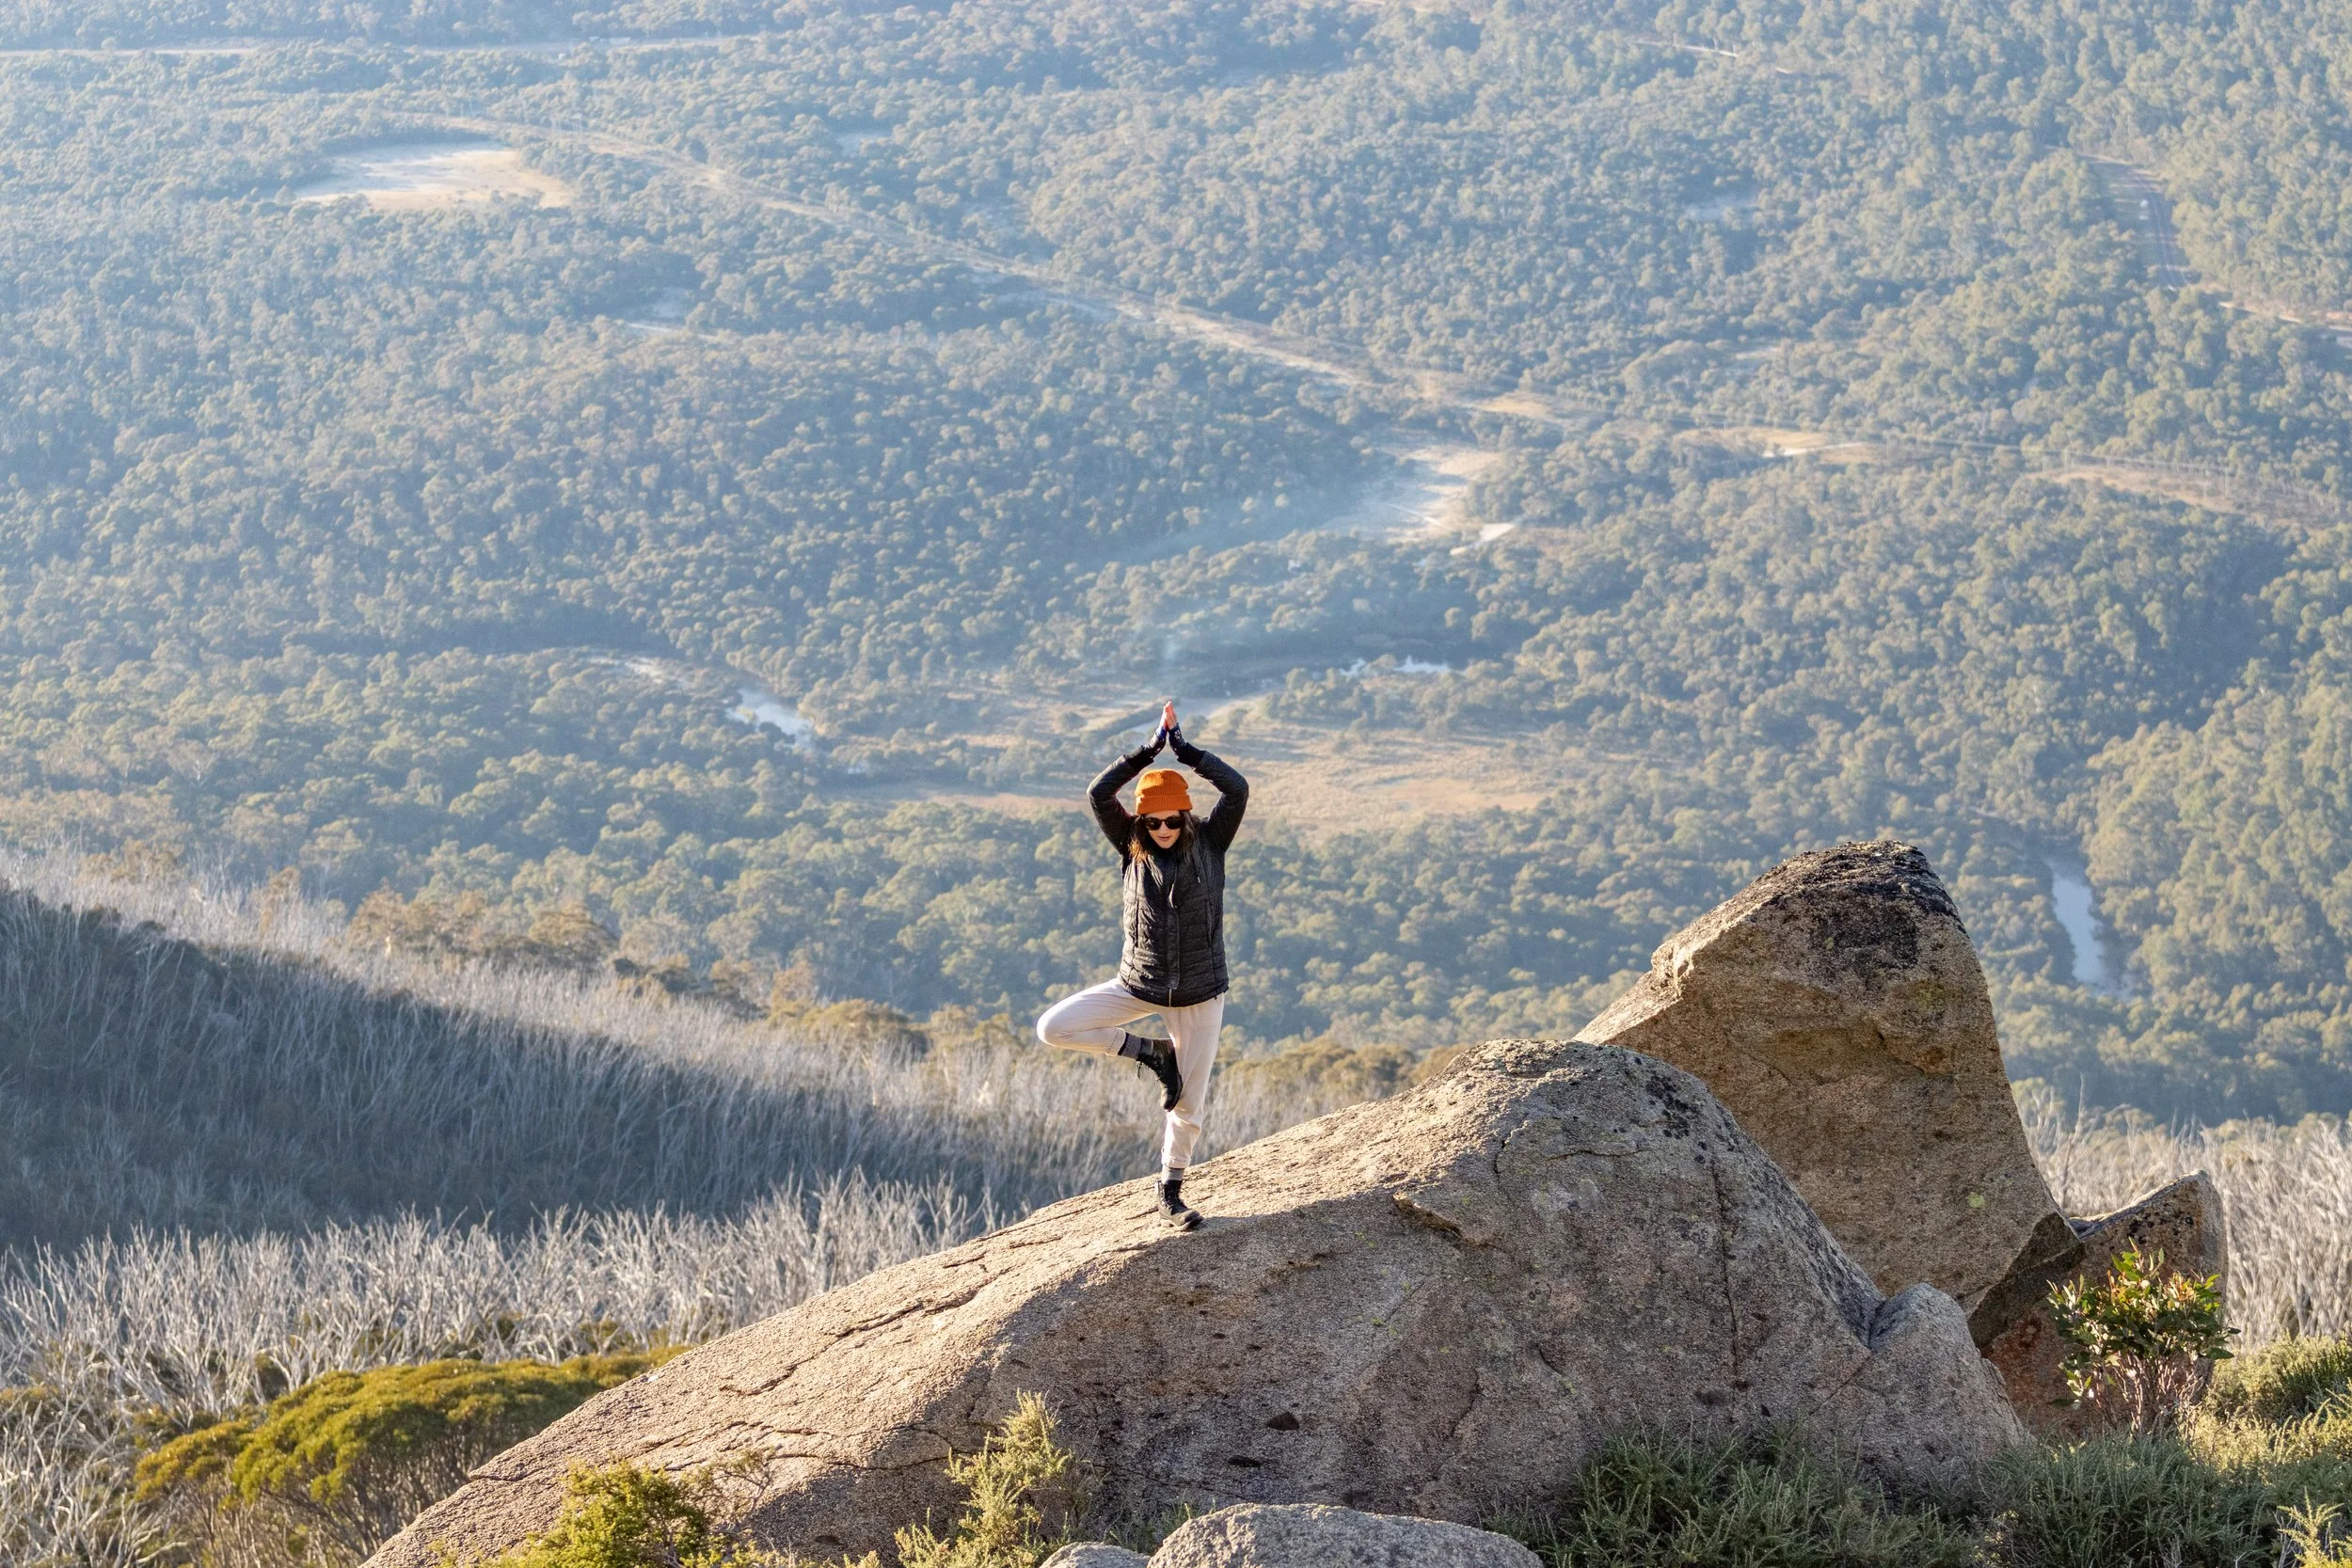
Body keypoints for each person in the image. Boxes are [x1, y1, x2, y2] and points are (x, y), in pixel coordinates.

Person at [1035, 700, 1248, 1231]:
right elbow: (1098, 794)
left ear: (1185, 815)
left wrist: (1186, 751)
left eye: (1171, 820)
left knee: (1188, 1104)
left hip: (1199, 992)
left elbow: (1237, 790)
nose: (1161, 829)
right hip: (1141, 983)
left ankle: (1170, 1190)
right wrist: (1148, 752)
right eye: (1151, 821)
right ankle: (1149, 1052)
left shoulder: (1213, 842)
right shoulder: (1130, 846)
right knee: (1054, 1027)